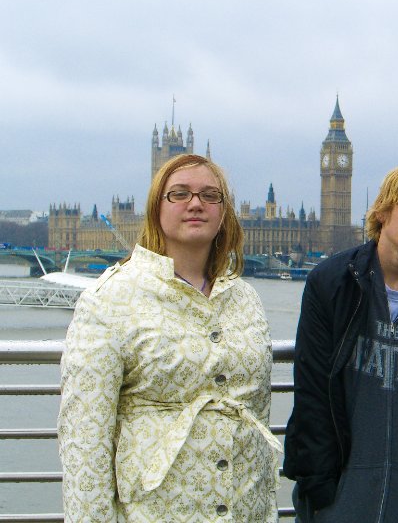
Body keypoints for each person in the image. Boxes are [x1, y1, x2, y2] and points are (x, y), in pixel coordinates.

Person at [58, 154, 282, 522]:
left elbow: (255, 408)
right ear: (155, 209)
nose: (196, 203)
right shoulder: (111, 298)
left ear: (224, 212)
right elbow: (85, 442)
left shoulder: (246, 299)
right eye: (179, 194)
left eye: (211, 195)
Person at [284, 162, 398, 523]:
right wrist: (320, 488)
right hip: (338, 496)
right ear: (383, 210)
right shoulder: (331, 283)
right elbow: (312, 391)